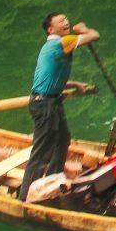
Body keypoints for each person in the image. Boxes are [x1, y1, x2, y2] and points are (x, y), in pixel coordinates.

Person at [23, 12, 98, 201]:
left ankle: (52, 180)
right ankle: (24, 197)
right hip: (44, 103)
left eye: (66, 19)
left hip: (52, 101)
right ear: (50, 29)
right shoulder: (60, 43)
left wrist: (75, 85)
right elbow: (94, 36)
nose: (66, 22)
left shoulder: (54, 47)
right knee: (42, 149)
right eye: (61, 21)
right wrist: (84, 29)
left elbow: (51, 77)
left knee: (63, 139)